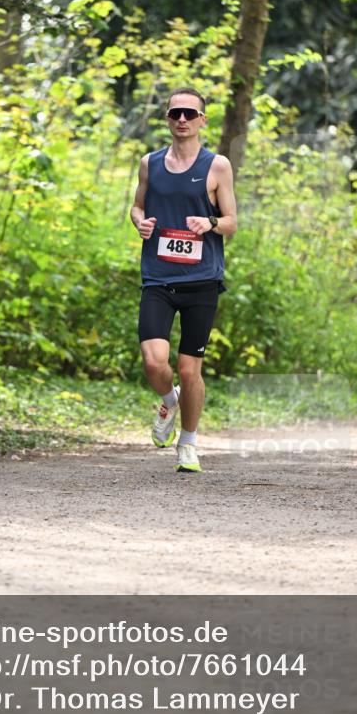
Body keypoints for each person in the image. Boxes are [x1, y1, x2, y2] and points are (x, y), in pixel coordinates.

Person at [130, 89, 237, 473]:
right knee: (153, 362)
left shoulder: (217, 166)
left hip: (201, 281)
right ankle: (169, 401)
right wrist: (139, 222)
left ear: (202, 120)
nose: (182, 119)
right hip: (158, 278)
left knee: (190, 370)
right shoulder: (150, 163)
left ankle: (188, 443)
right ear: (167, 118)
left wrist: (209, 222)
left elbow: (231, 223)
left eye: (190, 113)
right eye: (175, 112)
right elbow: (137, 205)